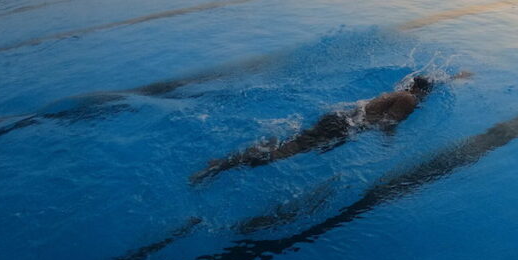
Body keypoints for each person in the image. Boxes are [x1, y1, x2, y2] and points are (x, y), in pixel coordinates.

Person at [190, 73, 467, 183]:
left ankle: (227, 162)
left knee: (289, 143)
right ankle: (223, 165)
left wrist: (456, 77)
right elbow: (387, 123)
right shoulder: (408, 99)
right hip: (344, 126)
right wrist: (391, 142)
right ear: (423, 92)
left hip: (341, 117)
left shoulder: (399, 91)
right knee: (287, 152)